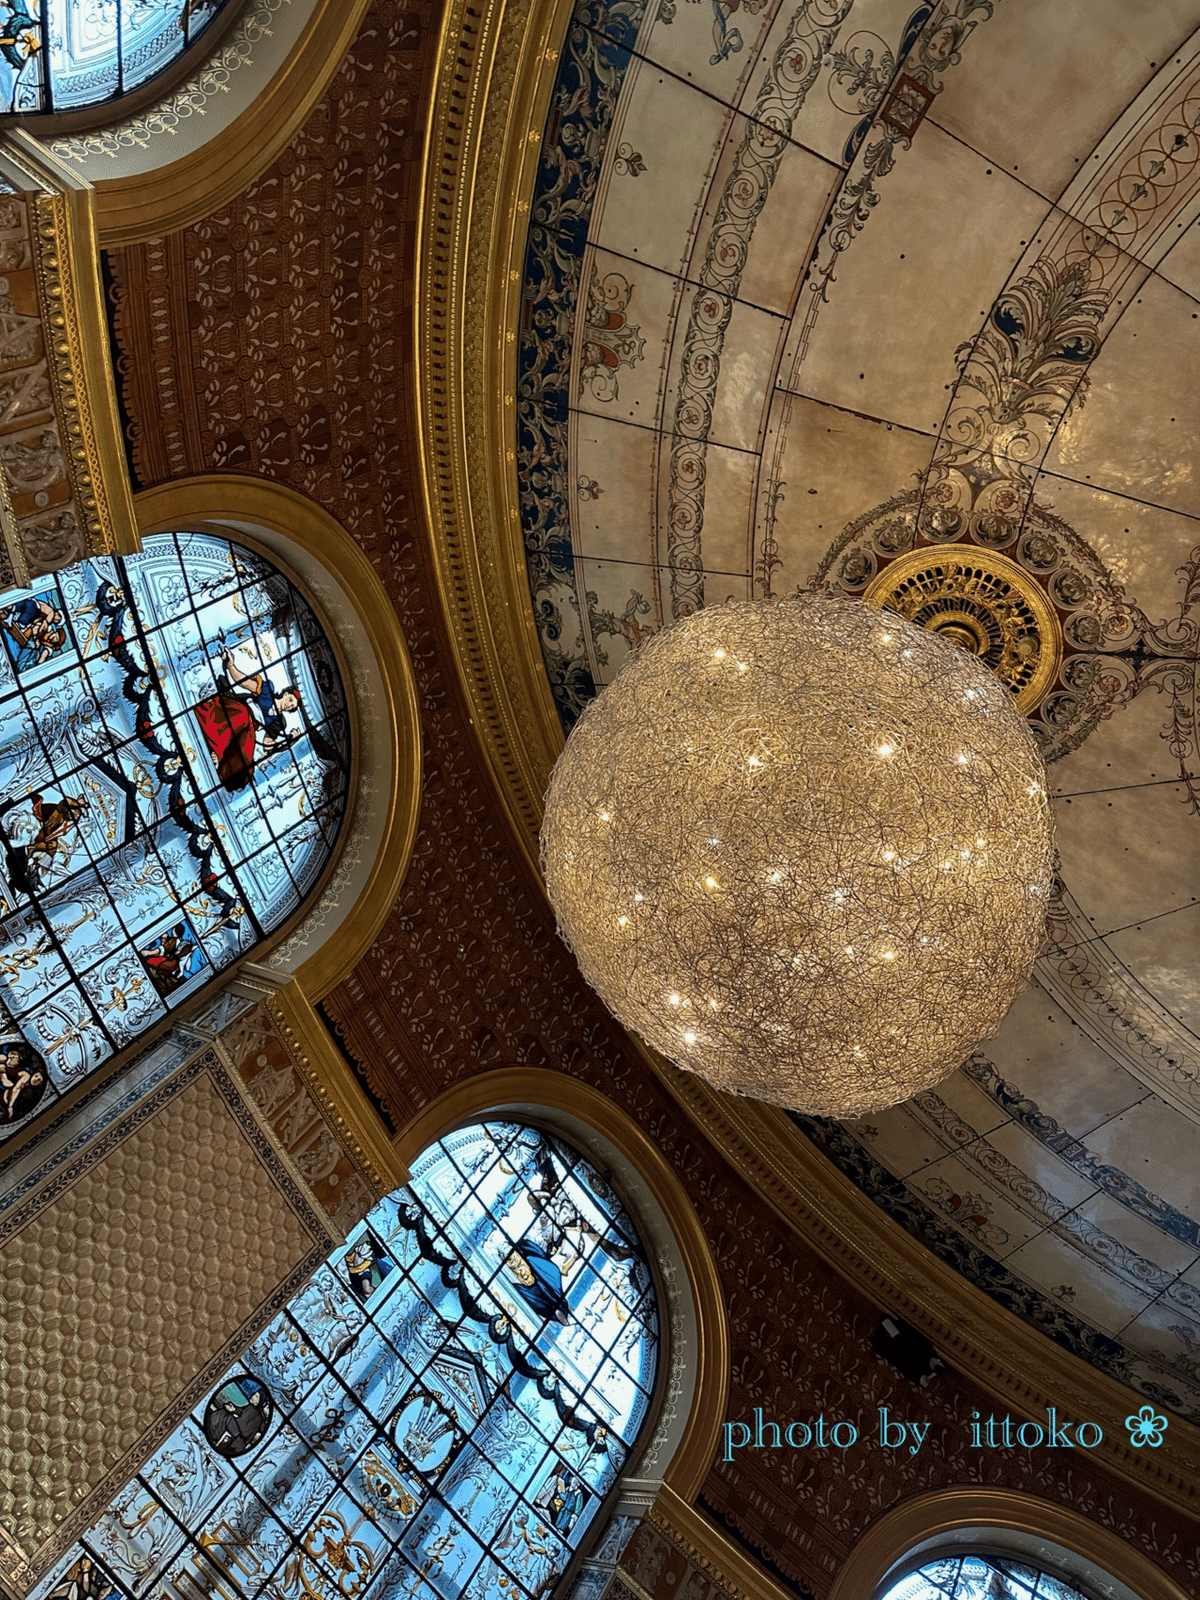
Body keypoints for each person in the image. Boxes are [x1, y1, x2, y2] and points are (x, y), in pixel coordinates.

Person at [193, 649, 302, 792]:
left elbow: (267, 745)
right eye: (290, 700)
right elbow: (243, 682)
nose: (289, 705)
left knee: (246, 753)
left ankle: (224, 770)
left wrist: (289, 742)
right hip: (238, 708)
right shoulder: (267, 690)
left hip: (249, 728)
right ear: (286, 693)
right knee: (243, 716)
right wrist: (231, 666)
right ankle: (217, 751)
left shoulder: (279, 722)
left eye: (292, 706)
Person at [1, 595, 66, 670]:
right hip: (32, 607)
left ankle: (11, 616)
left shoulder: (48, 646)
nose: (54, 636)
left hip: (30, 604)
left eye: (56, 638)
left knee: (10, 607)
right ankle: (17, 622)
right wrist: (37, 637)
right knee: (23, 622)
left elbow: (36, 621)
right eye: (56, 635)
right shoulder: (50, 615)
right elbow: (43, 626)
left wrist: (34, 626)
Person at [141, 926, 199, 996]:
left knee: (149, 961)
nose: (171, 932)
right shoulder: (179, 941)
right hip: (172, 964)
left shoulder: (173, 941)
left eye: (173, 930)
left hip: (171, 963)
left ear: (174, 931)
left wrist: (148, 952)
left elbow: (163, 949)